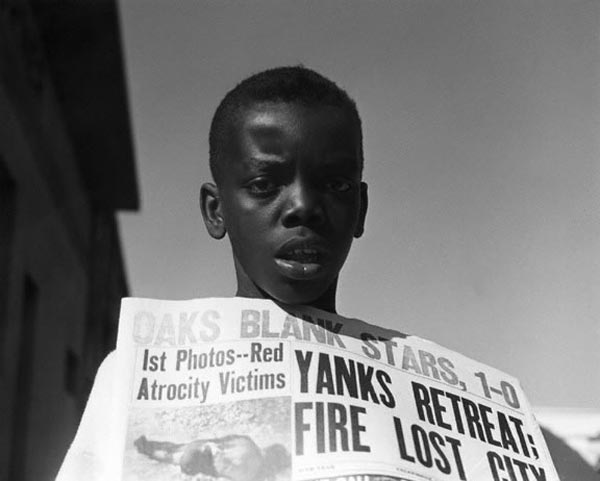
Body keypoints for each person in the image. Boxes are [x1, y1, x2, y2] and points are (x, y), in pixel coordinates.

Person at [56, 66, 368, 481]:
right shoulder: (129, 376)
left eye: (337, 185)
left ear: (361, 210)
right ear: (215, 210)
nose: (303, 206)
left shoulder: (407, 386)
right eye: (263, 184)